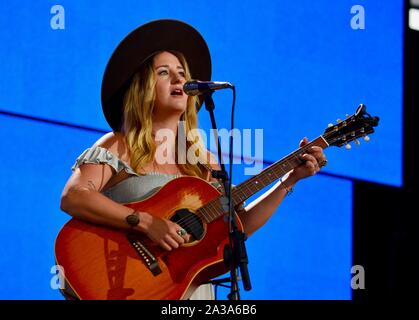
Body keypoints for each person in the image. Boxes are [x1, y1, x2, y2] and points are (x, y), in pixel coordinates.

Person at [59, 19, 327, 300]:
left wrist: (289, 179)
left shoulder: (204, 162)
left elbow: (239, 227)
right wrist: (148, 223)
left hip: (191, 293)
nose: (179, 80)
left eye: (182, 73)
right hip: (126, 284)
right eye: (164, 73)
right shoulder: (117, 144)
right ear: (143, 87)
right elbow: (74, 196)